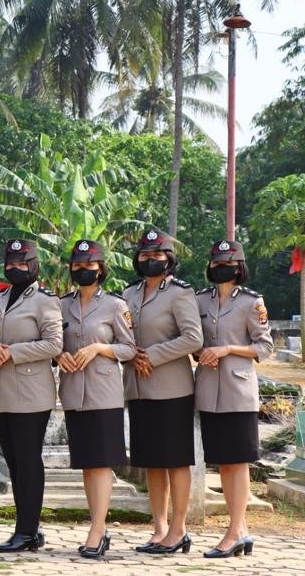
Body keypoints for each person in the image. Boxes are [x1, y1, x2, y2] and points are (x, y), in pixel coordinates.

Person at [0, 238, 63, 553]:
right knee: (13, 461)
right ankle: (31, 527)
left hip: (31, 393)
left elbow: (54, 344)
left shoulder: (44, 301)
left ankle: (26, 531)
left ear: (34, 265)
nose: (16, 268)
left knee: (27, 461)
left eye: (22, 263)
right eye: (11, 263)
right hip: (0, 394)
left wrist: (12, 352)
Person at [123, 228, 203, 555]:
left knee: (175, 460)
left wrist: (152, 355)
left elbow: (193, 338)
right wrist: (132, 354)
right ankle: (158, 528)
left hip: (172, 389)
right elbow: (121, 335)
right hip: (138, 387)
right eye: (145, 254)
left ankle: (179, 529)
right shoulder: (129, 294)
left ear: (169, 259)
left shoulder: (180, 293)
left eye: (157, 254)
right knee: (151, 461)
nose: (150, 259)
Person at [57, 239, 136, 559]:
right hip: (73, 391)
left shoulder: (115, 305)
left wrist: (99, 348)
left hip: (104, 393)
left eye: (88, 265)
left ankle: (98, 529)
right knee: (87, 463)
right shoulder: (62, 304)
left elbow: (129, 348)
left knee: (102, 463)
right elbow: (53, 341)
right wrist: (58, 355)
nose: (82, 270)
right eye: (77, 265)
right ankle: (97, 525)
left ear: (100, 269)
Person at [195, 239, 272, 558]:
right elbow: (194, 339)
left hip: (238, 391)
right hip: (208, 391)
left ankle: (235, 530)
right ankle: (240, 531)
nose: (220, 268)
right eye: (215, 263)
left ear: (239, 267)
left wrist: (227, 349)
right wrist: (202, 352)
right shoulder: (200, 299)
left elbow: (265, 346)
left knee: (237, 462)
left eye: (226, 263)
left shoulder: (252, 302)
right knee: (223, 463)